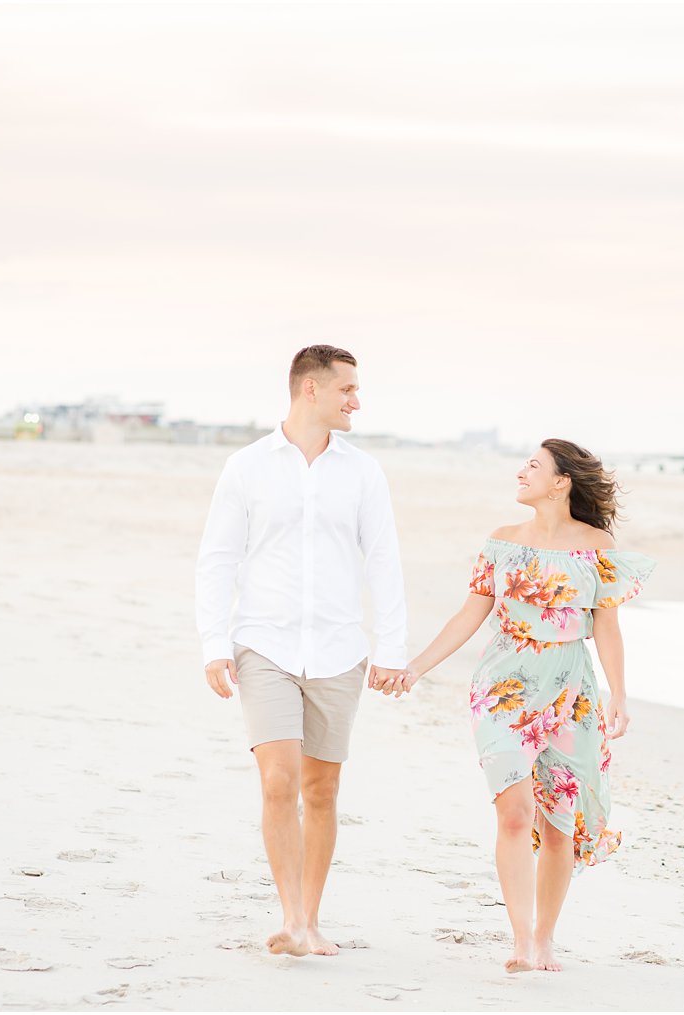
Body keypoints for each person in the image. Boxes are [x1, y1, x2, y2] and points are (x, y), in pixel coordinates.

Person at [375, 438, 654, 973]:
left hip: (570, 692)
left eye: (533, 466)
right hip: (502, 690)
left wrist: (618, 693)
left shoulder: (597, 544)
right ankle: (521, 940)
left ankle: (545, 939)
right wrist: (416, 667)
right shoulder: (501, 543)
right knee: (513, 813)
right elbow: (468, 615)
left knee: (557, 824)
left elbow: (608, 626)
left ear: (561, 481)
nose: (520, 472)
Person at [195, 344, 408, 958]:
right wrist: (215, 642)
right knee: (278, 781)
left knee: (321, 789)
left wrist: (392, 648)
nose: (357, 401)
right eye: (348, 390)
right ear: (309, 389)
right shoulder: (247, 467)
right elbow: (218, 558)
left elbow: (384, 561)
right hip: (264, 644)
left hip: (340, 650)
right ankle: (291, 919)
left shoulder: (363, 472)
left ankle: (311, 919)